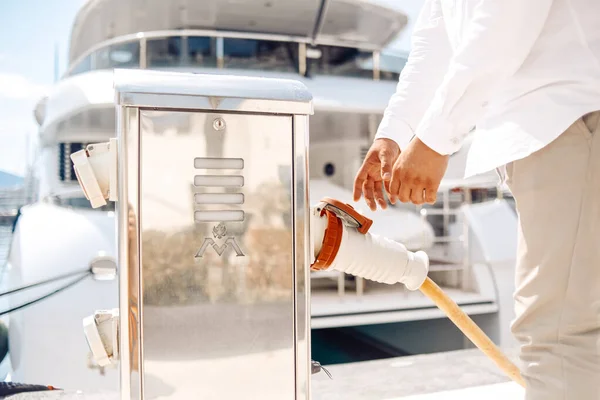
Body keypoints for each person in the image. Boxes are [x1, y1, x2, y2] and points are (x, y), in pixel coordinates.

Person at [353, 1, 600, 399]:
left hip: (568, 120)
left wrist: (435, 139)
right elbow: (438, 34)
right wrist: (394, 132)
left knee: (557, 336)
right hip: (552, 130)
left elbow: (507, 15)